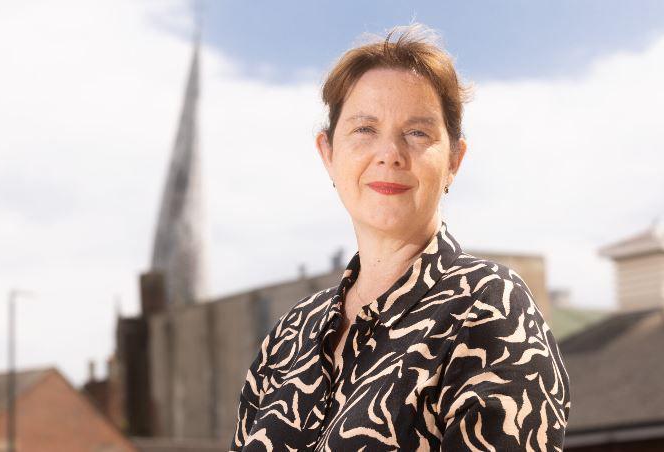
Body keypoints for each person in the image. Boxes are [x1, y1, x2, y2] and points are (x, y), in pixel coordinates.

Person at [230, 24, 570, 451]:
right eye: (364, 129)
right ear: (328, 154)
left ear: (454, 160)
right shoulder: (287, 337)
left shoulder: (488, 307)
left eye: (417, 132)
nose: (389, 153)